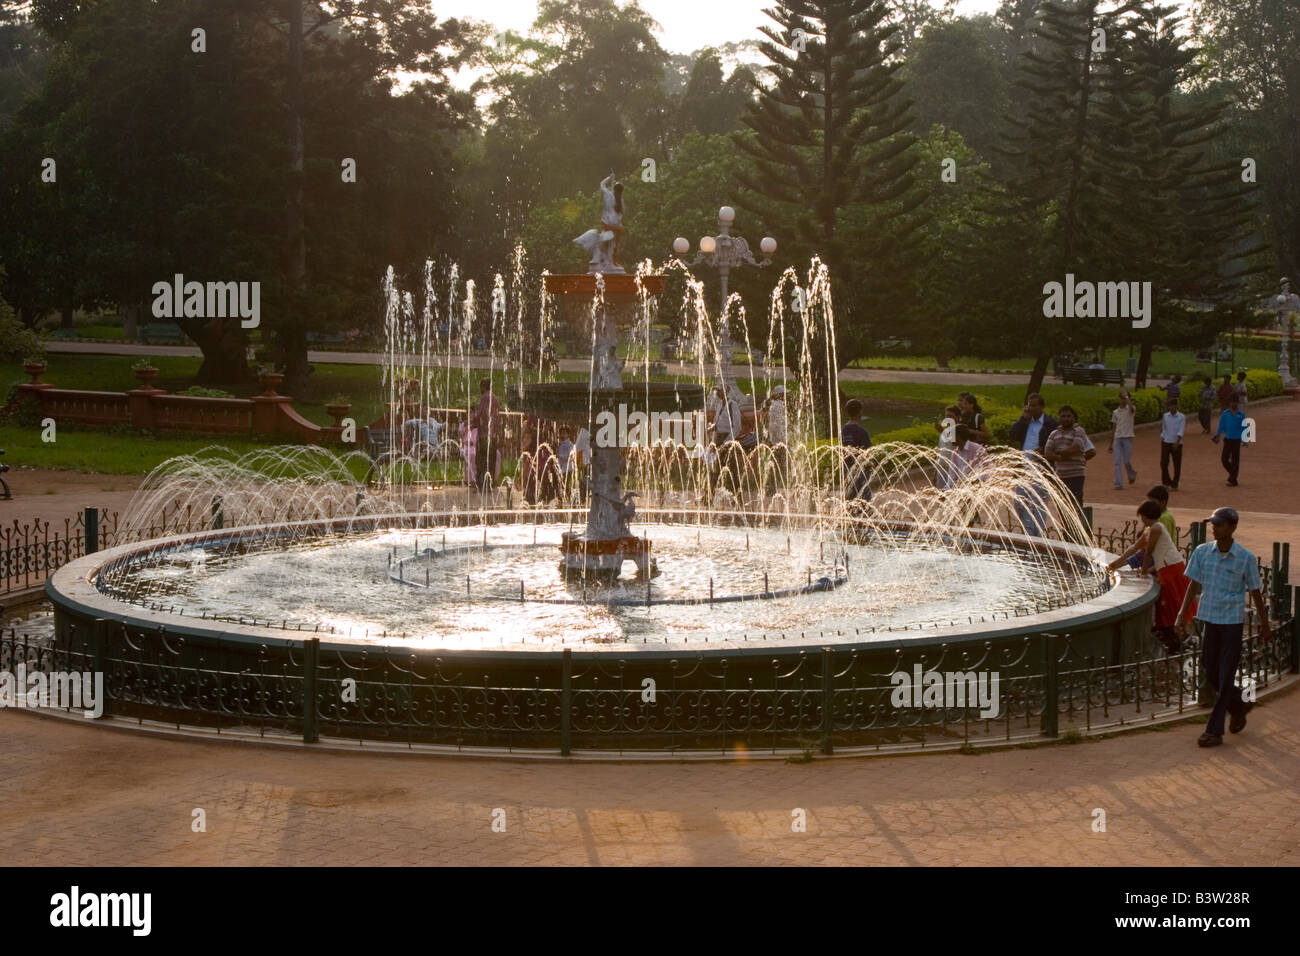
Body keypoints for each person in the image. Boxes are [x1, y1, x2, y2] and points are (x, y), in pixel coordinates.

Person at [1176, 507, 1271, 747]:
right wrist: (1181, 615)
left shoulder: (1245, 558)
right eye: (1213, 524)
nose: (1214, 527)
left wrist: (1264, 623)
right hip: (1210, 620)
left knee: (1225, 675)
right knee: (1210, 670)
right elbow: (1193, 586)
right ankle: (1240, 705)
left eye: (1219, 524)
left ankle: (1214, 731)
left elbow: (1256, 592)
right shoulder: (1202, 552)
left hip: (1232, 623)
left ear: (1232, 528)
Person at [1128, 499, 1194, 654]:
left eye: (1142, 516)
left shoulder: (1156, 527)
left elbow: (1149, 552)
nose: (1141, 520)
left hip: (1171, 570)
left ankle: (1177, 641)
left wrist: (1144, 572)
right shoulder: (1152, 528)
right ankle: (1175, 640)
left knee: (1171, 606)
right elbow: (1140, 551)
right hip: (1167, 569)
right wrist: (1114, 566)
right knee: (1169, 606)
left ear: (1146, 515)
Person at [1008, 393, 1058, 535]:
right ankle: (1027, 530)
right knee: (1019, 501)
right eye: (1029, 405)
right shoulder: (1025, 422)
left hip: (1041, 468)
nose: (1031, 408)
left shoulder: (1050, 423)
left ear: (1042, 407)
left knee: (1039, 503)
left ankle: (1037, 534)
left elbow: (1056, 442)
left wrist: (1044, 449)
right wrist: (1023, 418)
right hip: (1023, 468)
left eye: (1034, 406)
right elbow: (1013, 435)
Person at [1042, 404, 1089, 510]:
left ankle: (1077, 526)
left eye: (1068, 416)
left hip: (1076, 474)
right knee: (1062, 505)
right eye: (1063, 416)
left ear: (1074, 417)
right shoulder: (1054, 434)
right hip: (1061, 475)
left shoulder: (1079, 431)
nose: (1066, 419)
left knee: (1075, 503)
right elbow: (1047, 453)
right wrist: (1061, 457)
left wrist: (1059, 453)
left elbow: (1076, 447)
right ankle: (1065, 526)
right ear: (1058, 418)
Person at [472, 377, 501, 490]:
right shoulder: (495, 398)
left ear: (483, 387)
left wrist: (472, 423)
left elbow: (481, 415)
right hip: (493, 436)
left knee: (481, 461)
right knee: (491, 461)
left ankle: (481, 485)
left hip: (484, 435)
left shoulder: (485, 398)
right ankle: (490, 484)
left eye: (481, 386)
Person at [1211, 392, 1246, 486]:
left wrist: (1245, 440)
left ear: (1237, 403)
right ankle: (1233, 474)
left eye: (1235, 402)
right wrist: (1217, 435)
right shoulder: (1225, 413)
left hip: (1236, 439)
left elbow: (1244, 428)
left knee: (1235, 459)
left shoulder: (1241, 415)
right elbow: (1221, 426)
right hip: (1228, 439)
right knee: (1224, 459)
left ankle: (1232, 479)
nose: (1233, 404)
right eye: (1232, 402)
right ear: (1229, 402)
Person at [841, 398, 872, 501]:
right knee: (864, 499)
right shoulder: (862, 432)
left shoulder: (844, 430)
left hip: (847, 469)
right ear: (860, 412)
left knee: (849, 498)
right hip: (861, 471)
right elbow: (867, 454)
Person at [1109, 389, 1138, 488]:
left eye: (1125, 398)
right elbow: (1113, 428)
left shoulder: (1130, 409)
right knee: (1117, 461)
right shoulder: (1116, 412)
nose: (1123, 400)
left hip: (1128, 437)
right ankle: (1118, 483)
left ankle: (1131, 474)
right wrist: (1110, 443)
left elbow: (1132, 409)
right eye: (1122, 398)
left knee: (1127, 461)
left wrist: (1127, 398)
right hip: (1117, 437)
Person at [763, 385, 788, 493]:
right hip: (778, 441)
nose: (785, 396)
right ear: (779, 395)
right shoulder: (778, 406)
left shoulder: (773, 406)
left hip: (774, 440)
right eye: (784, 394)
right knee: (779, 465)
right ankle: (771, 487)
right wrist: (784, 440)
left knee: (775, 465)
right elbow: (777, 426)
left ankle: (770, 487)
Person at [1159, 397, 1185, 490]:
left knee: (1177, 464)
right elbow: (1164, 428)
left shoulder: (1181, 417)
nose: (1171, 408)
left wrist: (1177, 442)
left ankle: (1175, 483)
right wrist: (1162, 437)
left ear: (1176, 406)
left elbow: (1181, 430)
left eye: (1172, 406)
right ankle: (1166, 481)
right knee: (1163, 463)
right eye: (1169, 406)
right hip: (1166, 441)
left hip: (1176, 442)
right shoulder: (1165, 416)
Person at [934, 404, 961, 489]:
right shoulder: (944, 432)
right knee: (941, 495)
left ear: (958, 417)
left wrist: (942, 431)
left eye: (951, 416)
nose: (948, 419)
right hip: (942, 468)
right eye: (946, 416)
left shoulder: (961, 430)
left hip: (954, 470)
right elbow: (940, 452)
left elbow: (956, 443)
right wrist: (935, 473)